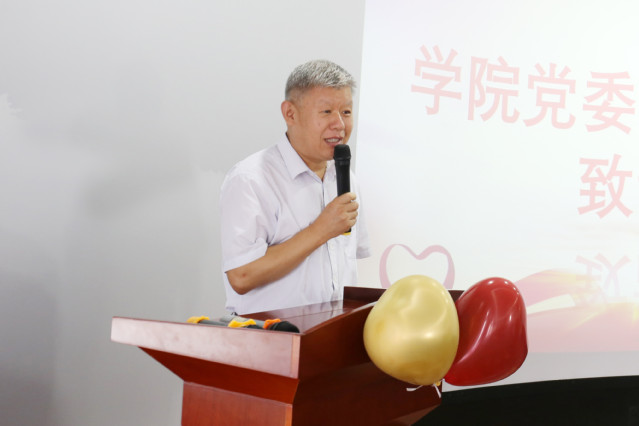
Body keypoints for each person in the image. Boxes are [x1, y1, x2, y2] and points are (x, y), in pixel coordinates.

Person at [220, 59, 371, 314]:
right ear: (290, 113)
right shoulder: (251, 178)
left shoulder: (346, 177)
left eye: (346, 112)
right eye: (326, 112)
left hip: (329, 332)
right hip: (269, 334)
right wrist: (321, 230)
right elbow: (241, 276)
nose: (339, 124)